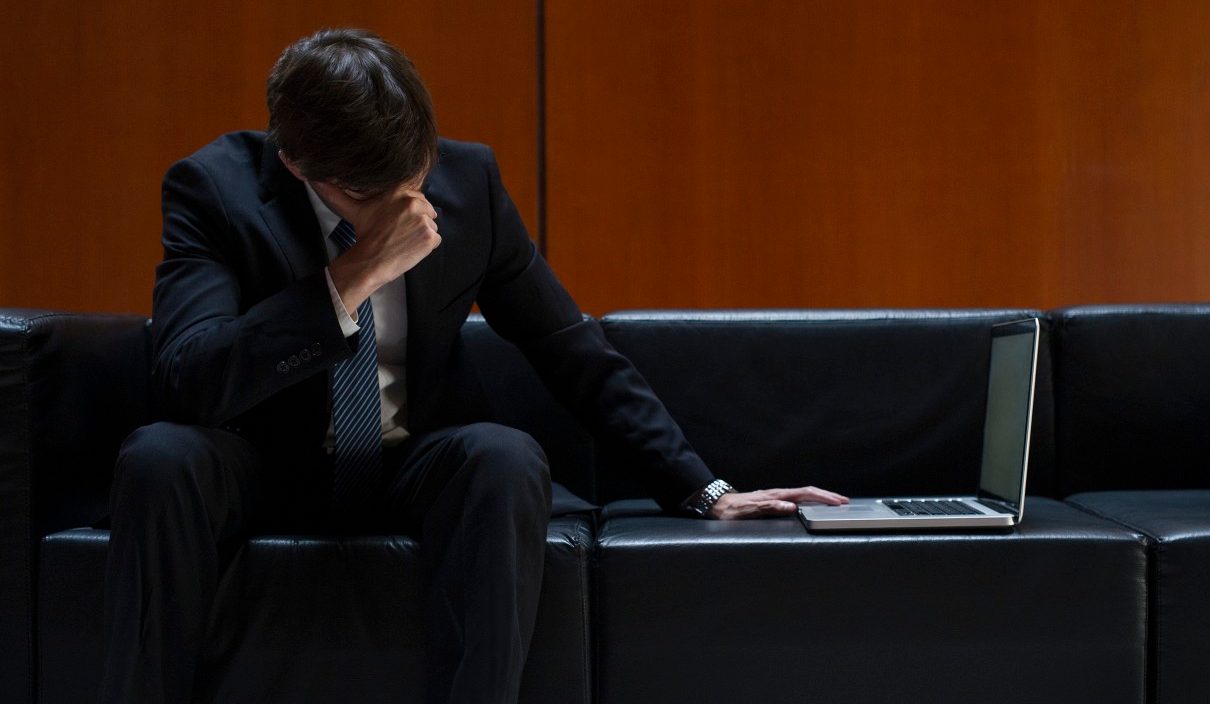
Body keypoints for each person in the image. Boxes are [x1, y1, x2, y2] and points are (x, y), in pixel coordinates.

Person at [103, 27, 848, 704]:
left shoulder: (468, 183)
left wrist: (704, 490)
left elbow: (568, 349)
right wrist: (349, 278)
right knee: (159, 457)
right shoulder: (214, 188)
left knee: (505, 455)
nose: (407, 206)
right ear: (295, 163)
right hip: (266, 462)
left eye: (414, 175)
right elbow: (187, 375)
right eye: (372, 194)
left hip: (407, 463)